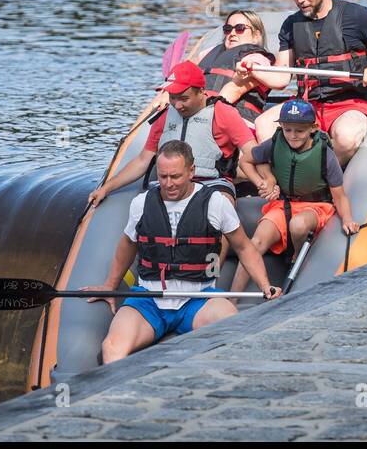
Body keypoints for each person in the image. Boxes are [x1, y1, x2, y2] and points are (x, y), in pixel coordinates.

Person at [83, 141, 279, 364]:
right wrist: (110, 285)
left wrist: (265, 286)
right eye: (163, 176)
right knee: (112, 347)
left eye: (175, 176)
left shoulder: (215, 203)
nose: (169, 184)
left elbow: (244, 247)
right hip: (149, 299)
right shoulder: (141, 203)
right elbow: (127, 244)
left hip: (198, 298)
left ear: (191, 171)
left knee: (233, 329)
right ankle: (121, 397)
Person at [246, 0, 367, 167]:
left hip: (348, 103)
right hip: (307, 103)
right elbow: (282, 76)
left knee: (346, 137)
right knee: (263, 124)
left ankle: (322, 180)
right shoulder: (291, 25)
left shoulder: (355, 15)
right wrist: (253, 70)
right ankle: (283, 180)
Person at [86, 61, 264, 209]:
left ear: (201, 92)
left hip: (212, 183)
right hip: (171, 185)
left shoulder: (223, 112)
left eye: (184, 98)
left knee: (222, 207)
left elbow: (253, 151)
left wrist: (268, 182)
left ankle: (214, 253)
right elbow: (142, 161)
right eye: (173, 97)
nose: (177, 105)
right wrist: (106, 188)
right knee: (140, 208)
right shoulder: (164, 116)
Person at [230, 100, 359, 293]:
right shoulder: (276, 142)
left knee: (297, 225)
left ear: (313, 129)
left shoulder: (325, 154)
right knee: (255, 242)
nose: (292, 136)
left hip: (315, 207)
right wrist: (262, 182)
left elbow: (339, 196)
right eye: (288, 129)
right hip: (283, 205)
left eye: (299, 131)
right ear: (281, 127)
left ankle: (297, 256)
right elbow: (245, 161)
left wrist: (347, 219)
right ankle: (232, 297)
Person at [195, 10, 286, 127]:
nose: (232, 33)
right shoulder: (207, 53)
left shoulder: (256, 58)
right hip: (199, 115)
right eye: (228, 29)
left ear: (256, 35)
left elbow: (276, 80)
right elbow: (184, 71)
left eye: (240, 28)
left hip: (239, 121)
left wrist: (251, 69)